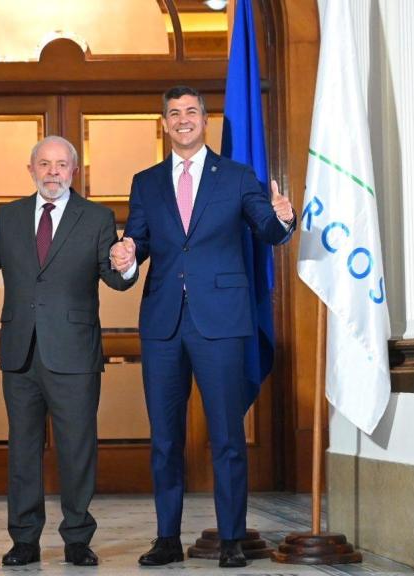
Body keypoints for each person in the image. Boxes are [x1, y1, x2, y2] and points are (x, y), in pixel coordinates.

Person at [112, 85, 294, 568]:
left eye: (191, 111)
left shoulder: (236, 176)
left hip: (223, 322)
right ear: (165, 123)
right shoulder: (146, 181)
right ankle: (167, 538)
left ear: (204, 120)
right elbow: (138, 242)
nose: (183, 119)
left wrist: (283, 220)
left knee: (228, 436)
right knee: (165, 439)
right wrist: (127, 258)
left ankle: (232, 539)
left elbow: (266, 229)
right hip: (163, 324)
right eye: (174, 113)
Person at [0, 135, 135, 567]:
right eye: (44, 164)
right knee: (23, 448)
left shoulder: (97, 217)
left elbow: (116, 279)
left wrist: (126, 263)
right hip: (20, 352)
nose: (53, 172)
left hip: (75, 353)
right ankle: (23, 538)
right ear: (31, 169)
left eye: (61, 165)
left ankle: (78, 538)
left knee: (77, 447)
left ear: (73, 172)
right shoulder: (9, 216)